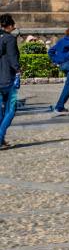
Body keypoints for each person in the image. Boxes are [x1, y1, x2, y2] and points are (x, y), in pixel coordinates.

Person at [0, 14, 19, 150]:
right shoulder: (9, 39)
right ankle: (0, 138)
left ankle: (2, 138)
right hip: (7, 79)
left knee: (0, 111)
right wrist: (18, 69)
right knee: (11, 109)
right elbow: (13, 58)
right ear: (10, 26)